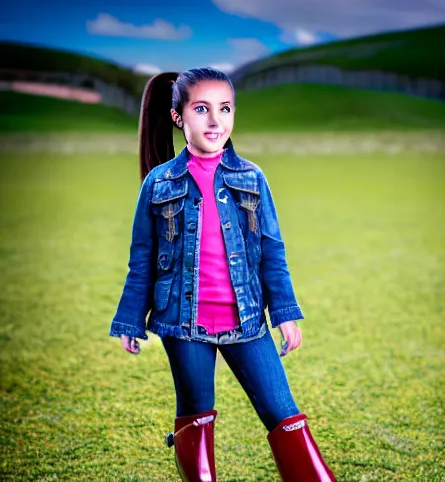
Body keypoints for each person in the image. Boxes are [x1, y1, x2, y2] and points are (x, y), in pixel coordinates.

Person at [109, 67, 337, 481]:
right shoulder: (158, 184)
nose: (216, 121)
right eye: (202, 109)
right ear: (179, 117)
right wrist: (129, 318)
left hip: (247, 322)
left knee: (283, 413)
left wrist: (284, 312)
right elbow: (142, 257)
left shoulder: (251, 178)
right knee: (195, 419)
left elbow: (272, 250)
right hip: (183, 324)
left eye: (225, 108)